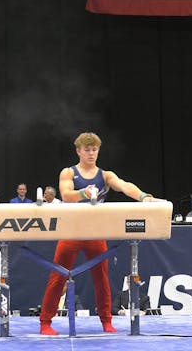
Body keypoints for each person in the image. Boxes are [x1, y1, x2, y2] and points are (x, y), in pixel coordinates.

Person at [39, 132, 156, 335]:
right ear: (78, 151)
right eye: (87, 150)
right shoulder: (68, 172)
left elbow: (124, 186)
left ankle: (106, 321)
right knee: (58, 277)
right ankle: (45, 323)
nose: (91, 153)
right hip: (71, 232)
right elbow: (66, 195)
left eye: (94, 150)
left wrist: (143, 196)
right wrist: (85, 193)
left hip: (95, 232)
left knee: (101, 279)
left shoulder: (105, 175)